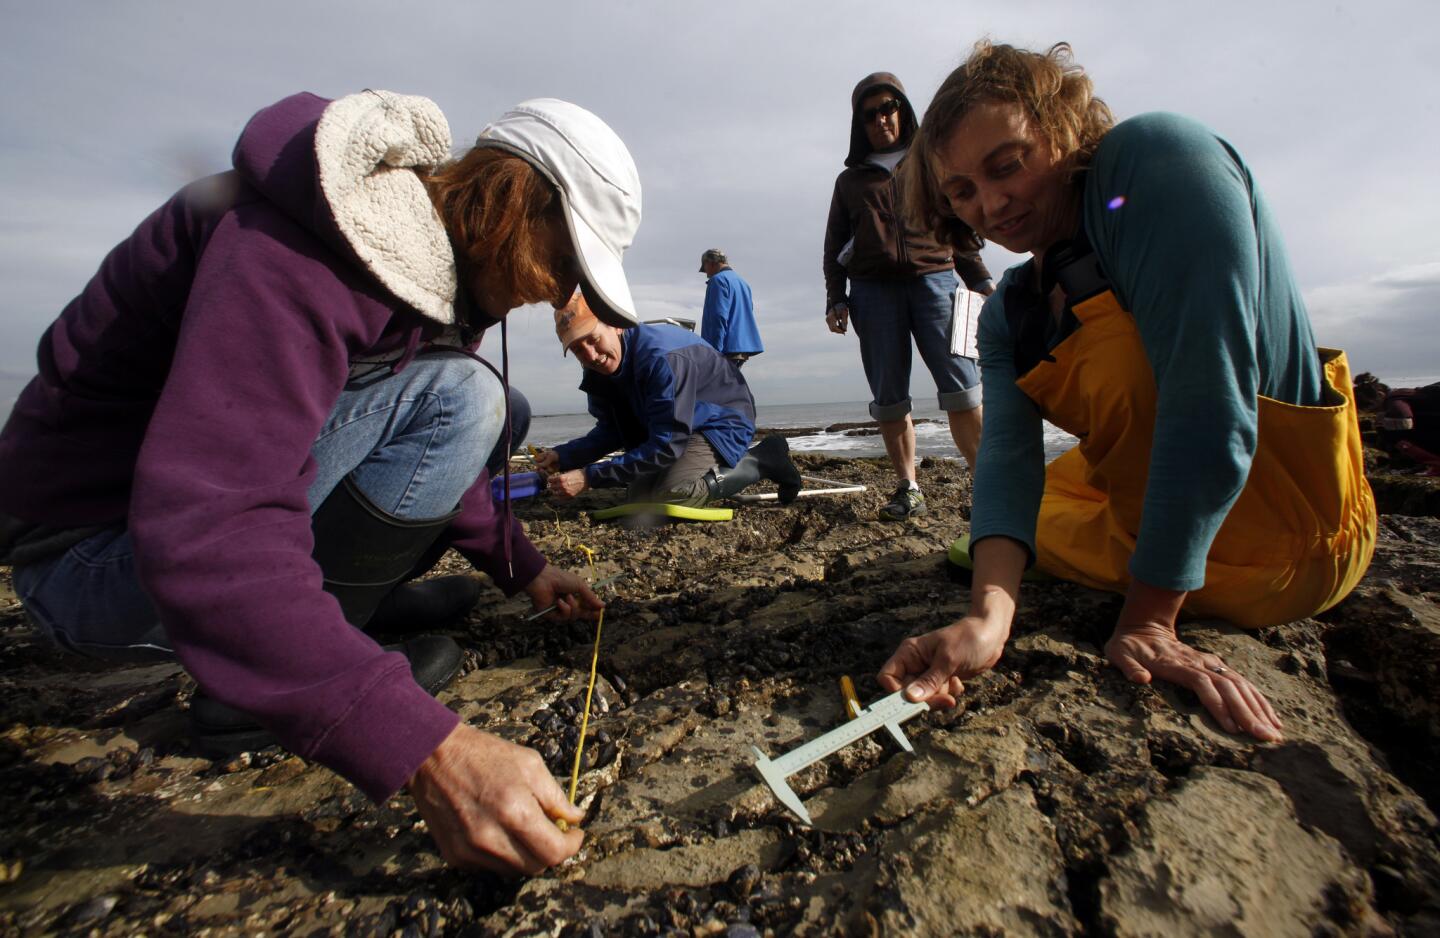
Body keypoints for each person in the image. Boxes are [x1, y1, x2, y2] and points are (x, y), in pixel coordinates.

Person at [0, 90, 648, 874]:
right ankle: (257, 684)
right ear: (513, 200)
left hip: (153, 536)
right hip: (85, 562)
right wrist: (423, 745)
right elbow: (208, 522)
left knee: (483, 399)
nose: (558, 292)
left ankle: (336, 611)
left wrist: (524, 567)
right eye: (567, 259)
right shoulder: (298, 246)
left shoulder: (423, 262)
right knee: (467, 398)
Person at [877, 42, 1377, 742]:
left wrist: (1148, 621)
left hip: (1290, 542)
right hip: (1144, 524)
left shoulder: (1155, 161)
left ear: (1063, 127)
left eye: (1007, 164)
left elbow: (1210, 402)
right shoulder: (1009, 313)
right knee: (1024, 512)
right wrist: (989, 615)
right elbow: (1007, 463)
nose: (990, 204)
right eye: (962, 191)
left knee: (1042, 519)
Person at [823, 71, 995, 521]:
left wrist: (982, 283)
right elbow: (833, 245)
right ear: (859, 124)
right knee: (889, 397)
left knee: (964, 390)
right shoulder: (849, 182)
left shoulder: (931, 163)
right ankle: (909, 486)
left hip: (938, 283)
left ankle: (990, 488)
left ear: (902, 109)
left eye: (888, 108)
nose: (881, 119)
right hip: (872, 293)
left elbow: (960, 229)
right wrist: (834, 299)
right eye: (870, 114)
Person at [536, 292, 801, 507]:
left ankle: (763, 459)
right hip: (673, 427)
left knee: (673, 493)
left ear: (614, 324)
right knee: (639, 499)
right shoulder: (596, 371)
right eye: (578, 350)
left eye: (593, 340)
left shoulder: (662, 359)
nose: (591, 355)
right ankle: (702, 472)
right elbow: (611, 430)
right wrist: (563, 456)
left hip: (721, 421)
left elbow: (667, 446)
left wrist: (589, 477)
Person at [698, 248, 763, 368]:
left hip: (725, 348)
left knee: (716, 385)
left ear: (711, 263)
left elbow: (718, 316)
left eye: (705, 268)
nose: (706, 274)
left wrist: (714, 351)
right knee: (730, 385)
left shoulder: (718, 280)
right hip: (742, 347)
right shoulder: (743, 283)